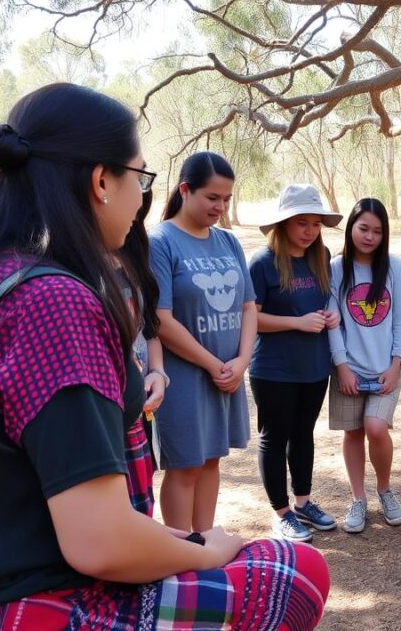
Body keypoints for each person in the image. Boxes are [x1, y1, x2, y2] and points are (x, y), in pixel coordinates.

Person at [0, 83, 328, 630]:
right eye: (140, 177)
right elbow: (99, 542)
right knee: (295, 572)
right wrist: (207, 550)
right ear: (101, 180)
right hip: (16, 599)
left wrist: (177, 539)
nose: (141, 200)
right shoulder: (50, 301)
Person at [149, 152, 256, 535]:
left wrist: (242, 359)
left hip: (229, 373)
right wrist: (213, 364)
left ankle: (205, 540)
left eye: (226, 199)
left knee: (212, 460)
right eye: (212, 197)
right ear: (184, 190)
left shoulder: (228, 242)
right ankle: (183, 551)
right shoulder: (160, 242)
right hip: (185, 376)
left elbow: (248, 306)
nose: (220, 207)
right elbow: (160, 320)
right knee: (186, 465)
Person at [249, 183, 342, 542]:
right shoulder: (262, 263)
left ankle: (303, 502)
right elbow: (251, 318)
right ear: (283, 223)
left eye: (316, 224)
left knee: (304, 435)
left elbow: (325, 302)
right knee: (274, 438)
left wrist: (328, 317)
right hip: (274, 369)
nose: (310, 231)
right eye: (301, 222)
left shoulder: (321, 256)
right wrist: (297, 323)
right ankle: (282, 512)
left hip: (314, 366)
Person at [327, 198, 401, 533]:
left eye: (377, 231)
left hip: (385, 368)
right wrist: (342, 367)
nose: (369, 236)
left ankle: (385, 489)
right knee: (353, 432)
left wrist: (396, 364)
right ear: (351, 228)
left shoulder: (393, 268)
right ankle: (357, 498)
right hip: (349, 368)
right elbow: (333, 323)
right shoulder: (336, 268)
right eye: (363, 228)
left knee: (376, 428)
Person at [115, 189, 167, 515]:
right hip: (107, 411)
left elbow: (150, 329)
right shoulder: (67, 266)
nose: (140, 187)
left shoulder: (134, 250)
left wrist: (158, 373)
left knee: (141, 499)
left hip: (140, 406)